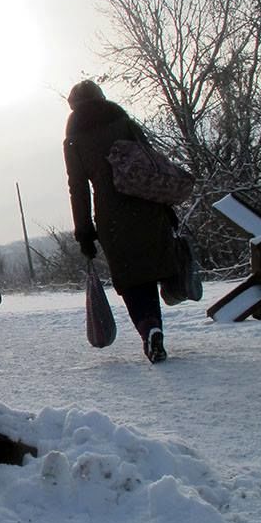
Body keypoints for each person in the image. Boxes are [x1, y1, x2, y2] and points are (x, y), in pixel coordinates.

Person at [62, 79, 179, 363]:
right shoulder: (122, 120)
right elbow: (153, 162)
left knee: (131, 278)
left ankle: (148, 328)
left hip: (112, 216)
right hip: (146, 203)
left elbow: (78, 188)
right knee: (152, 269)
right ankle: (158, 318)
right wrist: (166, 203)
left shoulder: (75, 139)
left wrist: (85, 233)